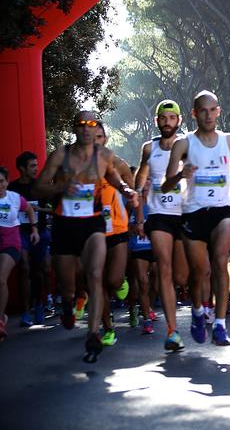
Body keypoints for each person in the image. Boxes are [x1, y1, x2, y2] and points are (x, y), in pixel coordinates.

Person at [33, 111, 139, 362]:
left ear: (97, 128)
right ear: (74, 128)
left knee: (95, 274)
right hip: (65, 224)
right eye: (81, 124)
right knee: (68, 285)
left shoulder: (104, 156)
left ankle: (93, 334)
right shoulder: (61, 155)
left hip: (93, 224)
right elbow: (37, 188)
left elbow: (114, 177)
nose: (86, 128)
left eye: (92, 124)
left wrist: (126, 190)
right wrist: (61, 187)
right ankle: (68, 303)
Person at [162, 91, 230, 346]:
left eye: (212, 110)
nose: (208, 115)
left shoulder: (229, 141)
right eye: (203, 111)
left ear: (218, 111)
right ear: (194, 114)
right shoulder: (183, 144)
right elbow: (165, 185)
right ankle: (198, 312)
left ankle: (220, 324)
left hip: (222, 209)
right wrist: (180, 175)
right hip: (193, 212)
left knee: (220, 261)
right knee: (200, 272)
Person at [134, 99, 189, 351]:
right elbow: (140, 180)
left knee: (182, 276)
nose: (167, 123)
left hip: (183, 213)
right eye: (163, 118)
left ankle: (200, 309)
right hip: (158, 215)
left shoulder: (187, 146)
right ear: (157, 121)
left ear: (178, 120)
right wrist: (140, 215)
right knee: (164, 269)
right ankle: (172, 331)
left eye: (172, 118)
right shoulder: (149, 148)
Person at [95, 122, 137, 348]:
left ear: (106, 139)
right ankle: (108, 328)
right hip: (92, 229)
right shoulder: (78, 166)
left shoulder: (118, 164)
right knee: (97, 281)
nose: (95, 140)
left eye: (99, 136)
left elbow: (132, 193)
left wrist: (129, 216)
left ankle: (121, 283)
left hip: (118, 228)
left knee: (113, 280)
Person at [8, 151, 52, 326]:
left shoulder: (40, 187)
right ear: (22, 168)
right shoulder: (12, 188)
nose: (36, 169)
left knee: (39, 269)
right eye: (32, 166)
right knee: (25, 267)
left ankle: (40, 305)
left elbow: (53, 208)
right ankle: (26, 312)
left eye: (36, 165)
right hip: (20, 231)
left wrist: (39, 210)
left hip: (40, 231)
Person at [0, 166, 38, 339]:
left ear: (7, 182)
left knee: (1, 279)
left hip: (10, 243)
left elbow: (29, 209)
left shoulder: (14, 198)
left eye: (1, 181)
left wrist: (34, 229)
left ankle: (0, 320)